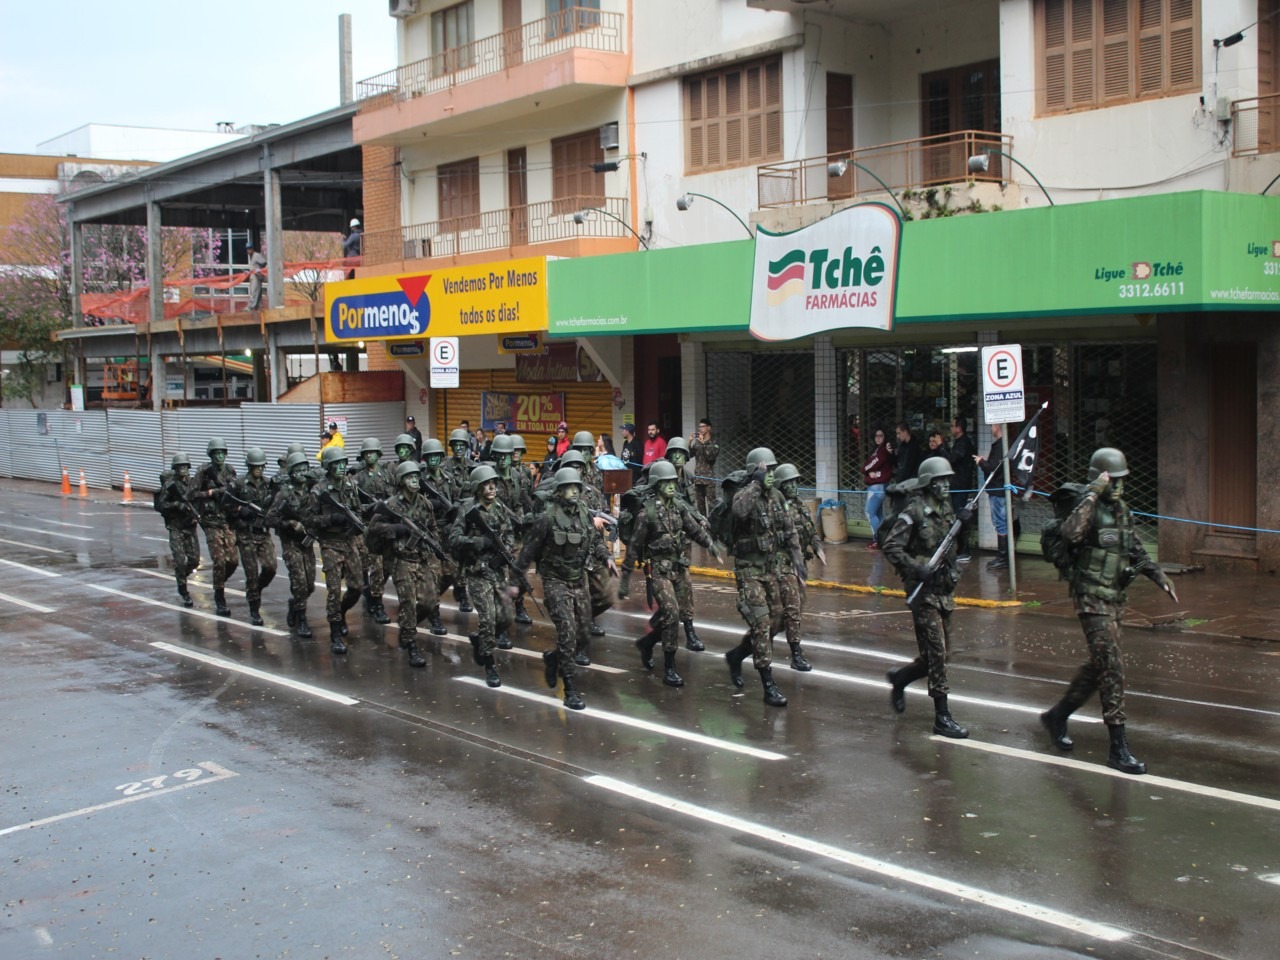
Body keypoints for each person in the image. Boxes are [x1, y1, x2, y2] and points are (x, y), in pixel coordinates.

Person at [1039, 448, 1179, 775]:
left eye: (1120, 480)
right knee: (1112, 667)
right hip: (1090, 598)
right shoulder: (1087, 509)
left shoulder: (1122, 511)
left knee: (1100, 665)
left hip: (1114, 598)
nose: (1117, 487)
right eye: (1111, 480)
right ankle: (1118, 748)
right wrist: (1092, 494)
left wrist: (1160, 577)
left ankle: (1057, 716)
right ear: (1100, 479)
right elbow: (1070, 533)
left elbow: (1137, 551)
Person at [881, 456, 971, 739]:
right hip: (923, 592)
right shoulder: (914, 510)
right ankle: (942, 717)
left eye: (948, 479)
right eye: (940, 480)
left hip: (944, 589)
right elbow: (891, 545)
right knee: (937, 653)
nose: (946, 484)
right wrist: (913, 567)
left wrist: (964, 526)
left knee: (942, 654)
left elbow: (953, 547)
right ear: (928, 483)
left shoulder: (946, 509)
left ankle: (902, 678)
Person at [516, 467, 616, 709]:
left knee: (583, 633)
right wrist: (515, 581)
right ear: (559, 491)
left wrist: (606, 558)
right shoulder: (547, 518)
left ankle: (555, 659)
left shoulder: (583, 512)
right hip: (555, 582)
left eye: (576, 487)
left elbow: (593, 540)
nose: (574, 491)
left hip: (578, 579)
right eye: (569, 487)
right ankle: (570, 688)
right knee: (568, 633)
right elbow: (528, 551)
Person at [723, 447, 804, 708]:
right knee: (761, 622)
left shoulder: (777, 497)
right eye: (765, 470)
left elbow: (790, 531)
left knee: (776, 622)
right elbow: (739, 512)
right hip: (749, 571)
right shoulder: (744, 494)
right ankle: (768, 684)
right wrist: (756, 484)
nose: (771, 474)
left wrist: (798, 561)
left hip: (771, 570)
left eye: (772, 469)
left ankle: (737, 656)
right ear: (755, 472)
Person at [631, 461, 721, 686]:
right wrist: (624, 577)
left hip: (679, 568)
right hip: (659, 570)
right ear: (657, 484)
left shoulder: (678, 507)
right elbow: (634, 545)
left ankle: (648, 643)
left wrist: (710, 545)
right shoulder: (647, 513)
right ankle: (669, 667)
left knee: (681, 612)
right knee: (670, 613)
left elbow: (693, 529)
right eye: (666, 483)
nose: (672, 486)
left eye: (673, 482)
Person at [368, 460, 448, 669]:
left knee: (430, 601)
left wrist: (435, 549)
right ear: (401, 480)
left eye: (416, 477)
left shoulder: (425, 503)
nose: (414, 480)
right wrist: (399, 529)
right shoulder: (391, 505)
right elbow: (373, 528)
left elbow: (432, 529)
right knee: (408, 603)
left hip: (421, 558)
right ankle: (411, 643)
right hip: (401, 560)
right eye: (410, 477)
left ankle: (406, 626)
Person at [449, 465, 520, 688]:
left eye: (494, 483)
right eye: (487, 484)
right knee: (488, 618)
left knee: (507, 617)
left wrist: (503, 554)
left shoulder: (500, 509)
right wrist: (477, 542)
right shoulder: (468, 510)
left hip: (498, 572)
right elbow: (454, 539)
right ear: (478, 488)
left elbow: (509, 536)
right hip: (477, 572)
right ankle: (489, 663)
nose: (492, 487)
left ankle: (482, 640)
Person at [308, 445, 367, 655]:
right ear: (328, 466)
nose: (341, 468)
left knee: (358, 586)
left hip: (349, 541)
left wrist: (355, 523)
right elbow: (310, 519)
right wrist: (331, 519)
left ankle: (341, 612)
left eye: (343, 463)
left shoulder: (351, 484)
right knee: (333, 589)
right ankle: (334, 634)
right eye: (337, 464)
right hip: (330, 543)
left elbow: (358, 509)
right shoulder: (319, 490)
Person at [774, 463, 826, 671]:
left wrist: (818, 548)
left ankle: (756, 641)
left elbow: (811, 531)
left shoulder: (800, 506)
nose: (794, 486)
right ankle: (796, 654)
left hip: (799, 564)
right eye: (789, 483)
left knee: (791, 610)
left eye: (795, 482)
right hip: (782, 564)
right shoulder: (775, 509)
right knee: (793, 607)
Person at [223, 447, 278, 626]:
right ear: (249, 466)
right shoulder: (238, 484)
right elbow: (225, 504)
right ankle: (254, 608)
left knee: (271, 567)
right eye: (256, 466)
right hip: (246, 535)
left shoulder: (268, 484)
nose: (259, 469)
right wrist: (240, 510)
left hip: (262, 534)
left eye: (262, 466)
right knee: (251, 573)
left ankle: (257, 589)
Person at [266, 451, 317, 640]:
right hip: (291, 543)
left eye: (305, 469)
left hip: (307, 542)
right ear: (291, 472)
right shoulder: (284, 493)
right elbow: (270, 518)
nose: (302, 473)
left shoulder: (313, 491)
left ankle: (294, 604)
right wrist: (289, 524)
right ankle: (302, 618)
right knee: (300, 582)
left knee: (310, 584)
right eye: (298, 470)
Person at [190, 436, 239, 617]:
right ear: (211, 455)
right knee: (219, 560)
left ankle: (219, 582)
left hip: (227, 520)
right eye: (216, 453)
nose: (220, 456)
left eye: (222, 453)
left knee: (233, 561)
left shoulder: (229, 471)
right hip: (210, 522)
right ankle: (220, 597)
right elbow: (191, 495)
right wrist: (211, 492)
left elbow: (234, 492)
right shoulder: (203, 472)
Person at [350, 437, 392, 625]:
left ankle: (371, 593)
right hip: (367, 528)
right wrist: (371, 508)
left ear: (378, 454)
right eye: (366, 453)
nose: (369, 456)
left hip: (385, 526)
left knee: (386, 566)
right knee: (373, 565)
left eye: (372, 453)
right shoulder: (357, 478)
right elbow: (354, 505)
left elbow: (393, 498)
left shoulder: (386, 475)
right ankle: (377, 603)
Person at [155, 452, 200, 608]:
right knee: (180, 561)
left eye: (185, 466)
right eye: (180, 467)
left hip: (190, 526)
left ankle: (181, 576)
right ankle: (183, 590)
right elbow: (161, 505)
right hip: (176, 527)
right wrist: (177, 505)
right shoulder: (170, 485)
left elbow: (197, 499)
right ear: (175, 468)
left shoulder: (192, 483)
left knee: (194, 560)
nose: (183, 469)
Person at [975, 423, 1010, 570]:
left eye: (992, 426)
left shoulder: (1001, 446)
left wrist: (981, 462)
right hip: (998, 489)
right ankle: (1004, 556)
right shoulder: (1003, 445)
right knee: (1001, 522)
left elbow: (993, 468)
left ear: (997, 427)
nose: (991, 429)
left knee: (1000, 523)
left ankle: (1003, 557)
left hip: (997, 490)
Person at [947, 417, 978, 562]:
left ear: (959, 428)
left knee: (961, 516)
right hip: (957, 484)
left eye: (953, 426)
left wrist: (942, 447)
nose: (951, 429)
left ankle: (963, 550)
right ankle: (959, 549)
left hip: (960, 485)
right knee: (957, 515)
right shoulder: (960, 443)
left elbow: (953, 459)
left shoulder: (963, 443)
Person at [861, 427, 892, 550]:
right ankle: (883, 539)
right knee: (878, 515)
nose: (878, 438)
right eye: (876, 436)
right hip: (878, 486)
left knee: (870, 512)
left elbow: (865, 467)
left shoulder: (883, 451)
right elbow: (868, 467)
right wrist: (868, 473)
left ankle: (878, 539)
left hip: (878, 486)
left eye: (881, 435)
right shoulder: (878, 450)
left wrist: (866, 472)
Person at [688, 418, 720, 517]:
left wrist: (703, 444)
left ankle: (712, 527)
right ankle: (703, 526)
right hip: (698, 478)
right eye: (699, 427)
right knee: (700, 507)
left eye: (703, 426)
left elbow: (710, 457)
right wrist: (689, 442)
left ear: (709, 428)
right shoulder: (697, 442)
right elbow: (689, 455)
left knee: (711, 506)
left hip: (708, 478)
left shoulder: (714, 442)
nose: (700, 429)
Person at [246, 239, 267, 311]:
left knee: (254, 291)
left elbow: (264, 262)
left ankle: (251, 307)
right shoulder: (252, 257)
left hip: (256, 276)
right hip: (253, 275)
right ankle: (258, 307)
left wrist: (259, 271)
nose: (248, 251)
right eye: (247, 249)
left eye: (249, 249)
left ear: (252, 249)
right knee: (256, 292)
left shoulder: (256, 255)